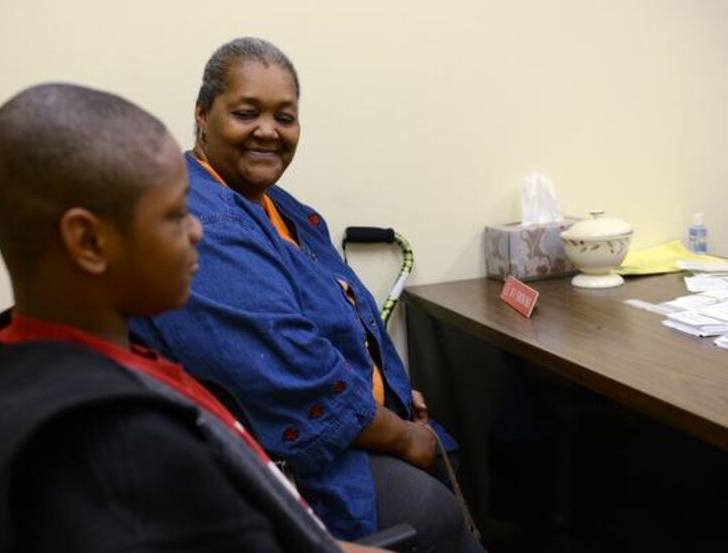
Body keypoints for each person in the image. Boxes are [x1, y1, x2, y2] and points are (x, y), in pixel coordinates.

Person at [0, 83, 385, 553]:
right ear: (89, 242)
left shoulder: (19, 354)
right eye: (175, 216)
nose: (197, 230)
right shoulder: (127, 453)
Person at [131, 38, 484, 553]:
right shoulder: (206, 225)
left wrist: (388, 385)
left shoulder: (276, 205)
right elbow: (292, 374)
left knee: (459, 467)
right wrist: (404, 435)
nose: (269, 132)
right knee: (433, 509)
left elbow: (333, 317)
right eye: (246, 113)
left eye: (285, 117)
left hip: (340, 425)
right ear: (202, 115)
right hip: (281, 460)